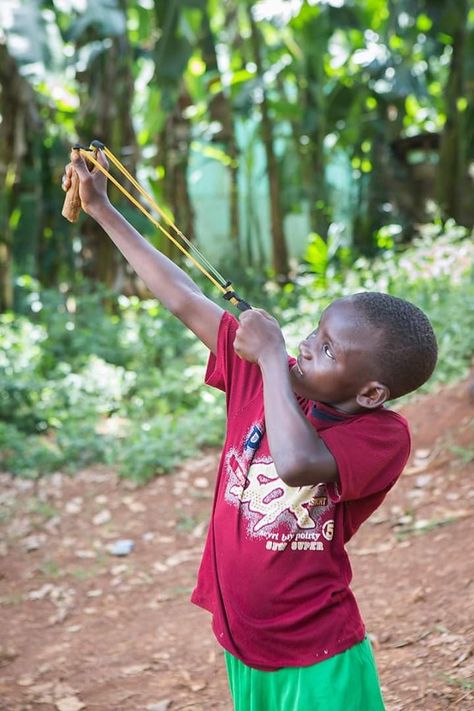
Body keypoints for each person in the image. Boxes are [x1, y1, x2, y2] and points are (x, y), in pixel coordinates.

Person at [62, 148, 438, 711]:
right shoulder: (270, 372)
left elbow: (296, 463)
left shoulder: (381, 435)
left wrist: (270, 361)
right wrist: (102, 210)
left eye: (328, 349)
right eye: (314, 332)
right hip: (244, 641)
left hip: (319, 657)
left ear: (370, 393)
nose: (308, 346)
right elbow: (183, 297)